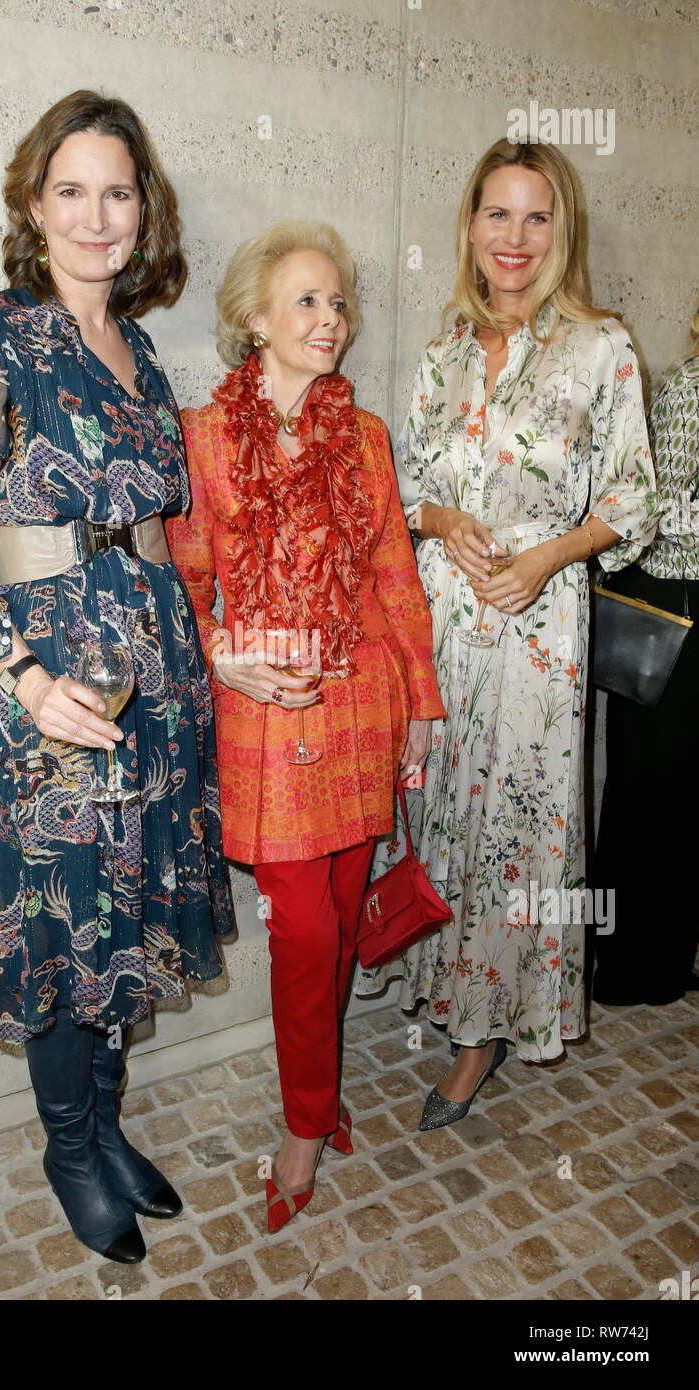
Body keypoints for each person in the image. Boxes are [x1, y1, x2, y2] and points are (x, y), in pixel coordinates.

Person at [0, 90, 234, 1262]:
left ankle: (104, 1123)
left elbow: (157, 526)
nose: (97, 216)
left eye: (118, 190)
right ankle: (66, 1144)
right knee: (64, 919)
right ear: (32, 204)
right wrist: (18, 675)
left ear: (144, 212)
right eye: (71, 190)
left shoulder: (140, 352)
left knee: (130, 907)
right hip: (55, 678)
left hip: (158, 666)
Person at [357, 139, 658, 1130]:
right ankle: (442, 990)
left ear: (557, 230)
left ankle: (485, 1029)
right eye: (497, 215)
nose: (514, 239)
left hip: (537, 634)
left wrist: (547, 555)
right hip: (442, 624)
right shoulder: (442, 356)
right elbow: (404, 493)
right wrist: (443, 523)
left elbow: (633, 498)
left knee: (519, 838)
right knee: (441, 811)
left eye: (535, 218)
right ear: (470, 226)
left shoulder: (600, 346)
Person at [166, 221, 445, 1229]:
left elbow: (392, 577)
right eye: (306, 301)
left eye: (337, 303)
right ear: (254, 319)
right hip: (268, 717)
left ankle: (319, 1103)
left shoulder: (362, 437)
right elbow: (182, 585)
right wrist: (218, 649)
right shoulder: (200, 437)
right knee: (305, 929)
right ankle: (303, 1120)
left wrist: (420, 697)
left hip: (361, 697)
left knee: (334, 916)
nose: (328, 320)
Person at [593, 305, 699, 1004]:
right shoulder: (691, 391)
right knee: (649, 792)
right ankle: (629, 966)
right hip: (671, 615)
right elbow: (666, 514)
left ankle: (663, 955)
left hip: (685, 610)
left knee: (679, 797)